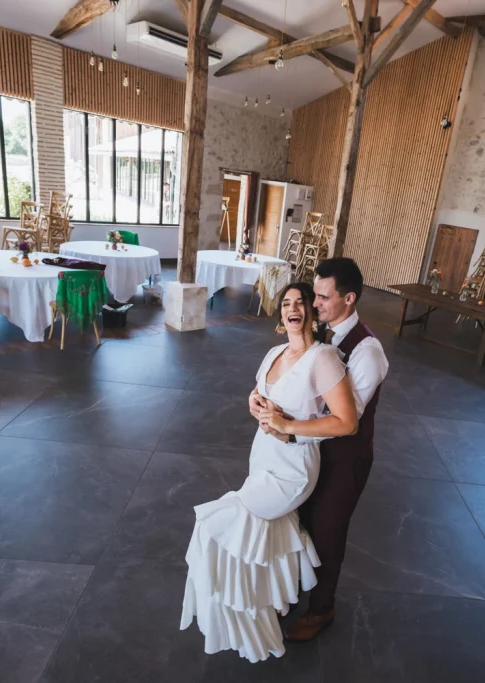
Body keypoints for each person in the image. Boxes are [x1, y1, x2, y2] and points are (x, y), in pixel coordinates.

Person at [180, 282, 359, 663]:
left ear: (311, 311)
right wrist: (255, 401)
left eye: (300, 302)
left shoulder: (322, 357)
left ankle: (242, 620)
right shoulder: (275, 352)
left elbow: (346, 423)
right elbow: (261, 395)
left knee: (218, 526)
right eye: (286, 303)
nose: (292, 308)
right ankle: (272, 605)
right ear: (281, 315)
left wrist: (288, 426)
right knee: (263, 535)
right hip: (263, 456)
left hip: (292, 469)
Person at [252, 257, 389, 642]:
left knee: (327, 534)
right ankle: (289, 590)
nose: (314, 304)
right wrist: (264, 395)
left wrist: (289, 430)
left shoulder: (368, 351)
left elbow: (344, 419)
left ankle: (321, 609)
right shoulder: (322, 333)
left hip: (344, 458)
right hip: (303, 454)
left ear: (349, 298)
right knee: (296, 525)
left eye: (323, 298)